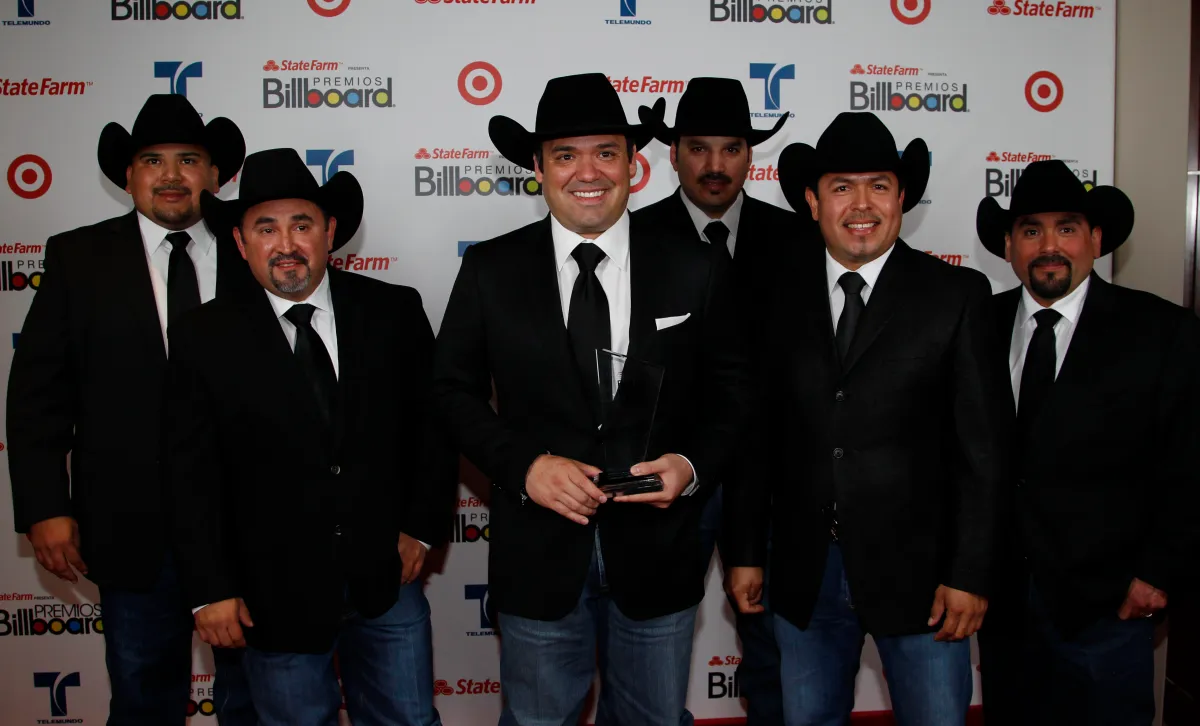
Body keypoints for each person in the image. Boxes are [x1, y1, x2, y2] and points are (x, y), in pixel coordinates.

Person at [432, 72, 751, 726]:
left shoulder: (696, 265)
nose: (588, 172)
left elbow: (734, 393)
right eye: (565, 155)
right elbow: (449, 390)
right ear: (538, 168)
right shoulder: (491, 269)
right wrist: (524, 466)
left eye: (606, 152)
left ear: (633, 165)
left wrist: (690, 465)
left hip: (659, 554)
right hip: (539, 555)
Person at [726, 111, 1007, 726]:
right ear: (812, 200)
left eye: (879, 186)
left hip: (925, 582)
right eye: (841, 187)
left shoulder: (956, 295)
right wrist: (744, 551)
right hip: (805, 573)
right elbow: (755, 439)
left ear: (902, 197)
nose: (861, 205)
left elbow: (984, 451)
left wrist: (970, 573)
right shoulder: (773, 297)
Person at [164, 148, 457, 726]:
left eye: (302, 225)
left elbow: (434, 429)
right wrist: (209, 589)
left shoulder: (393, 310)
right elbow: (188, 473)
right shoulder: (203, 335)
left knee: (408, 719)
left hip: (386, 582)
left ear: (330, 232)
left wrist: (422, 528)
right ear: (240, 242)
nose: (286, 244)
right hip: (272, 595)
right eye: (265, 228)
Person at [7, 93, 257, 726]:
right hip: (130, 528)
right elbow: (37, 395)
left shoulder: (254, 248)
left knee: (256, 701)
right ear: (128, 175)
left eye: (188, 160)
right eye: (152, 161)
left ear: (216, 173)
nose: (171, 175)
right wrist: (45, 506)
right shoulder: (78, 258)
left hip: (249, 529)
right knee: (144, 700)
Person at [974, 159, 1200, 725]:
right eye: (1031, 230)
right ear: (1008, 246)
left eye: (1067, 228)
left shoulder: (1162, 332)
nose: (1049, 246)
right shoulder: (977, 326)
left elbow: (1189, 463)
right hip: (1002, 609)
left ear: (1096, 240)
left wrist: (1158, 573)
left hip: (1110, 608)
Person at [633, 76, 804, 725]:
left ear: (750, 156)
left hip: (776, 480)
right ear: (673, 155)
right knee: (647, 650)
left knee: (775, 650)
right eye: (698, 148)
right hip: (668, 475)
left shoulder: (797, 240)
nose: (714, 165)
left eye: (730, 148)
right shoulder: (633, 237)